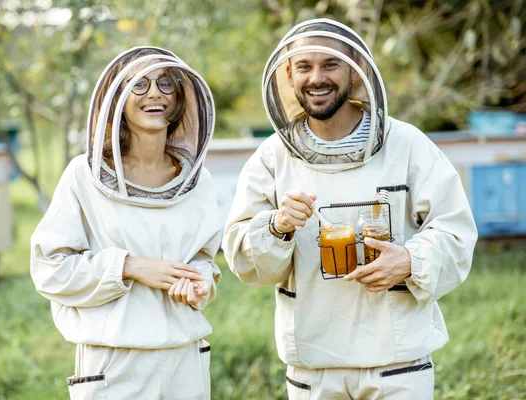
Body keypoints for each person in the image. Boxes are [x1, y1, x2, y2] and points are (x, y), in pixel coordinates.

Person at [223, 19, 477, 399]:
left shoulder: (407, 144)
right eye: (304, 66)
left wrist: (409, 260)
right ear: (289, 73)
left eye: (330, 64)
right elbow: (246, 263)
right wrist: (277, 226)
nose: (316, 77)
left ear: (355, 67)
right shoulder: (272, 157)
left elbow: (457, 232)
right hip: (313, 368)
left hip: (398, 365)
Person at [30, 46, 221, 399]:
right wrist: (128, 267)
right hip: (114, 366)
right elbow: (49, 268)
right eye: (139, 84)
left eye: (166, 84)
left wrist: (199, 283)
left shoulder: (197, 180)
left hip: (185, 363)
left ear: (180, 99)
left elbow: (204, 260)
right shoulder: (83, 177)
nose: (154, 94)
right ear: (117, 98)